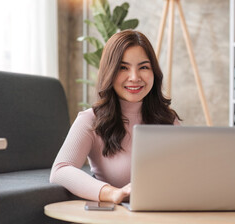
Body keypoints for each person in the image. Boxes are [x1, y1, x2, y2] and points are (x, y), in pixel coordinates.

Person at [50, 30, 181, 204]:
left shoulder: (168, 119)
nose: (134, 78)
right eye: (123, 68)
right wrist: (111, 193)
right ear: (110, 72)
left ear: (154, 73)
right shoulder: (91, 120)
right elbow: (60, 170)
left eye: (143, 67)